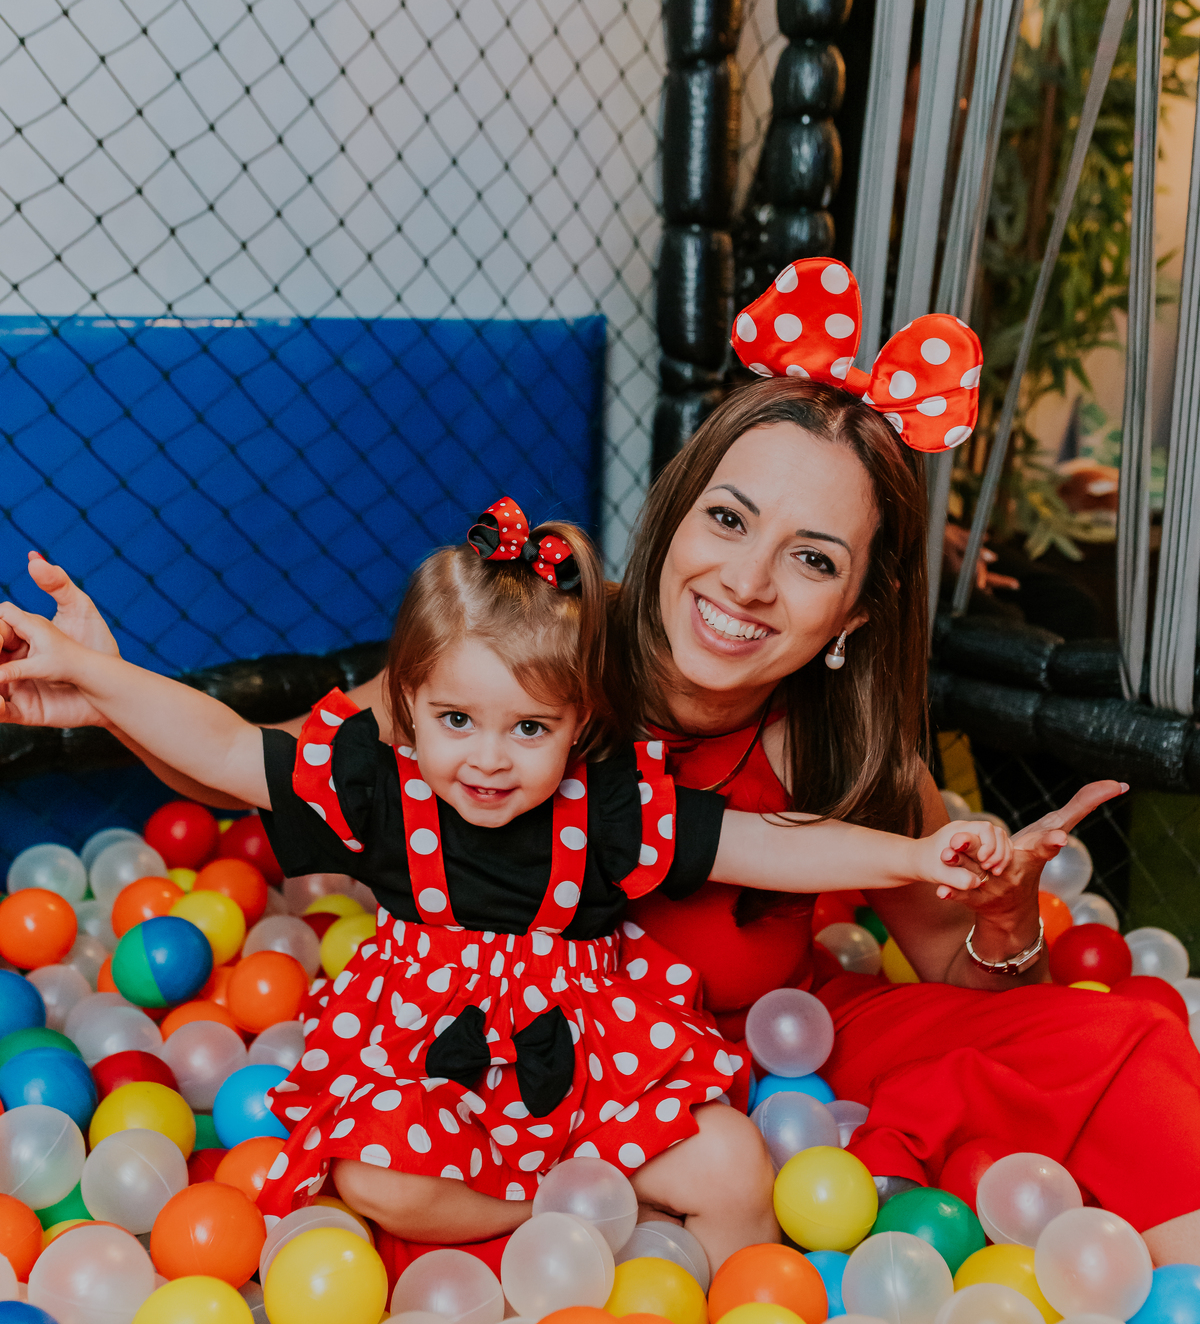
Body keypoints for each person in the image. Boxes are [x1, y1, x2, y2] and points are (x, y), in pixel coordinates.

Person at [9, 254, 1197, 1263]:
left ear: (854, 616)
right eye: (728, 521)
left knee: (1119, 1049)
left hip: (745, 1064)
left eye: (812, 559)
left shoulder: (856, 762)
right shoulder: (537, 648)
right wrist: (111, 693)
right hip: (506, 1061)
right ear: (675, 514)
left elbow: (980, 999)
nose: (745, 581)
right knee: (383, 1189)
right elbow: (258, 762)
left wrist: (1001, 909)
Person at [0, 498, 1009, 1269]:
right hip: (438, 1063)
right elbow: (222, 744)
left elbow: (770, 843)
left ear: (580, 723)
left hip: (591, 1065)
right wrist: (95, 677)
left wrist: (915, 856)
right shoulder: (379, 791)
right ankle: (568, 1211)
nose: (489, 759)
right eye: (456, 722)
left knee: (738, 1166)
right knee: (372, 1173)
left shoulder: (609, 808)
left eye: (530, 728)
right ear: (408, 704)